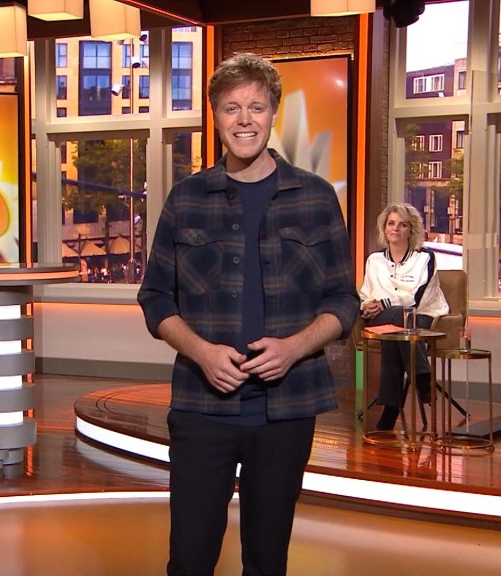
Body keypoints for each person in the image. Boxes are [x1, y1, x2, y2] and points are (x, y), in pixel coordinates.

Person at [138, 53, 358, 576]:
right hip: (201, 409)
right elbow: (156, 298)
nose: (244, 120)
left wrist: (294, 348)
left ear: (273, 113)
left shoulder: (315, 198)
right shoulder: (187, 198)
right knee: (189, 560)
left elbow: (343, 301)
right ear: (216, 116)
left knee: (266, 561)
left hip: (287, 412)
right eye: (231, 108)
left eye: (256, 107)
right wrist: (202, 353)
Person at [358, 203, 448, 431]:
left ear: (411, 230)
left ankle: (390, 408)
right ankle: (423, 377)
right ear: (384, 228)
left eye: (402, 225)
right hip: (384, 317)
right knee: (396, 320)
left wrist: (385, 304)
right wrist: (367, 306)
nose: (395, 229)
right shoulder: (374, 260)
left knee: (396, 324)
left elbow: (418, 298)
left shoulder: (425, 258)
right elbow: (365, 294)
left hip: (422, 316)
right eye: (391, 223)